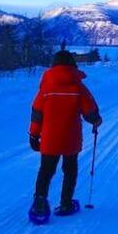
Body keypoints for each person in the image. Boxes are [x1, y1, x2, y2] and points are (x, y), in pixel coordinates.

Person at [27, 49, 103, 222]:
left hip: (49, 138)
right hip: (71, 137)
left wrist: (33, 135)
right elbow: (90, 109)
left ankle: (39, 203)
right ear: (72, 65)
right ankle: (66, 203)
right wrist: (96, 120)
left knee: (46, 171)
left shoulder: (45, 88)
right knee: (70, 170)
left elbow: (37, 113)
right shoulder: (78, 86)